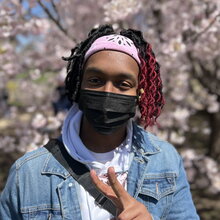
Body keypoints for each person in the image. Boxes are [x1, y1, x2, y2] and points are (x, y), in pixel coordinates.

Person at [0, 24, 200, 220]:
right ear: (79, 84)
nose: (108, 92)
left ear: (139, 93)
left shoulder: (165, 161)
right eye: (96, 80)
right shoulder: (28, 174)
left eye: (123, 84)